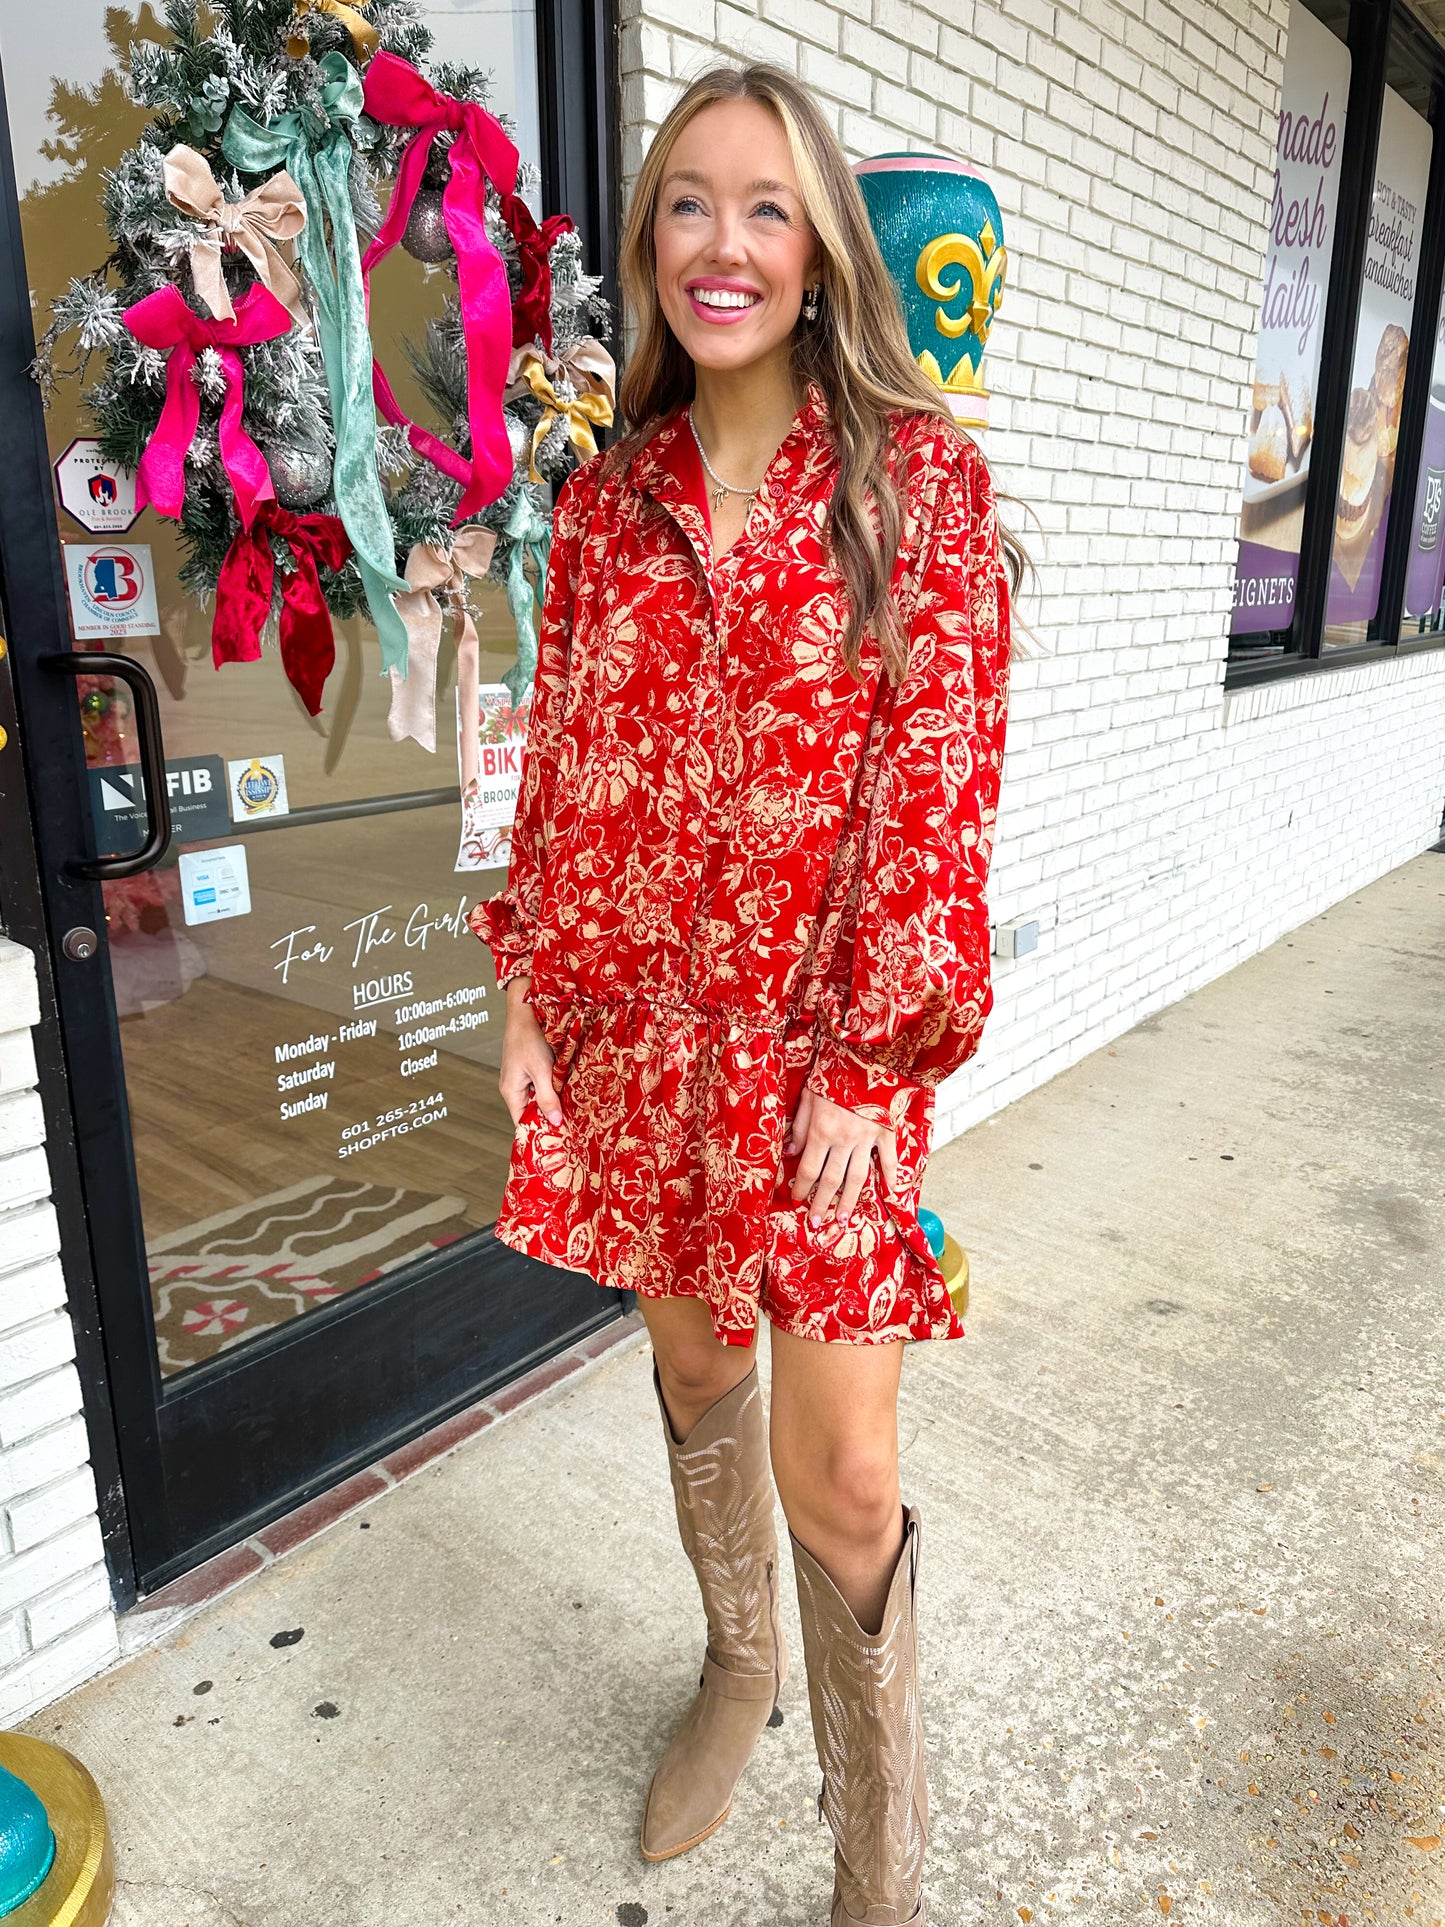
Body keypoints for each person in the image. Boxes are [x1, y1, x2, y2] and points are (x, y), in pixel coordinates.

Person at [469, 59, 1023, 1927]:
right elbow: (562, 763)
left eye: (766, 207)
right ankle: (736, 1663)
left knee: (847, 1472)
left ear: (819, 251)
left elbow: (936, 778)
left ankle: (875, 1841)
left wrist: (878, 1059)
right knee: (691, 1355)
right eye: (688, 204)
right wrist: (528, 985)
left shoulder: (918, 486)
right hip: (636, 1023)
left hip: (828, 1052)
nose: (723, 242)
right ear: (651, 243)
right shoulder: (605, 506)